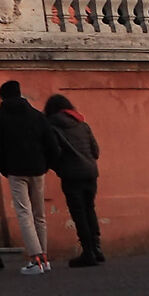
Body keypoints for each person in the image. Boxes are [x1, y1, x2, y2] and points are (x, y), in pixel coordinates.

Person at [0, 80, 59, 275]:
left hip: (15, 171)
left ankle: (35, 258)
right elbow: (51, 144)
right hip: (38, 169)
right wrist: (46, 165)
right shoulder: (37, 116)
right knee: (39, 214)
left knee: (24, 213)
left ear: (3, 96)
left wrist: (6, 169)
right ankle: (44, 257)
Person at [43, 93, 104, 267]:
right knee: (89, 209)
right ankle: (97, 248)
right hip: (91, 172)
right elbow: (96, 151)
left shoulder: (52, 127)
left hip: (71, 174)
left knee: (79, 213)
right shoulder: (83, 124)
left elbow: (54, 151)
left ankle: (87, 252)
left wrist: (57, 167)